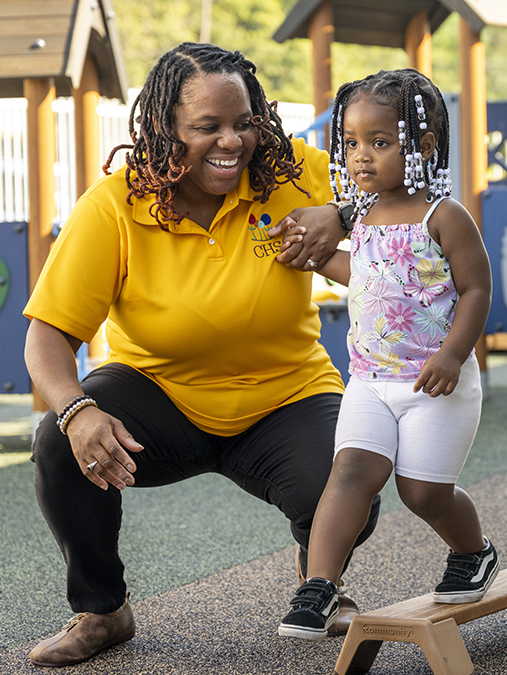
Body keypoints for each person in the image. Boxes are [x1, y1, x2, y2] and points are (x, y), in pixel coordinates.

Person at [23, 43, 379, 667]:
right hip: (158, 393)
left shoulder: (289, 170)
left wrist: (341, 210)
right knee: (57, 439)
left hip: (287, 392)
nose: (231, 142)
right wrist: (77, 410)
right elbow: (48, 336)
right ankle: (103, 610)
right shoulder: (114, 206)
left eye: (243, 123)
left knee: (355, 474)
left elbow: (409, 187)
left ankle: (319, 579)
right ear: (163, 129)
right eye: (206, 127)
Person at [274, 69, 497, 641]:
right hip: (369, 381)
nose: (361, 158)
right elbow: (367, 279)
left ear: (421, 146)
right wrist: (316, 260)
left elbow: (476, 290)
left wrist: (452, 355)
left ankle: (474, 551)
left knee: (421, 492)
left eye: (380, 143)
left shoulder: (444, 216)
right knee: (350, 472)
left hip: (434, 383)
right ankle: (318, 587)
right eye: (350, 143)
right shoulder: (363, 215)